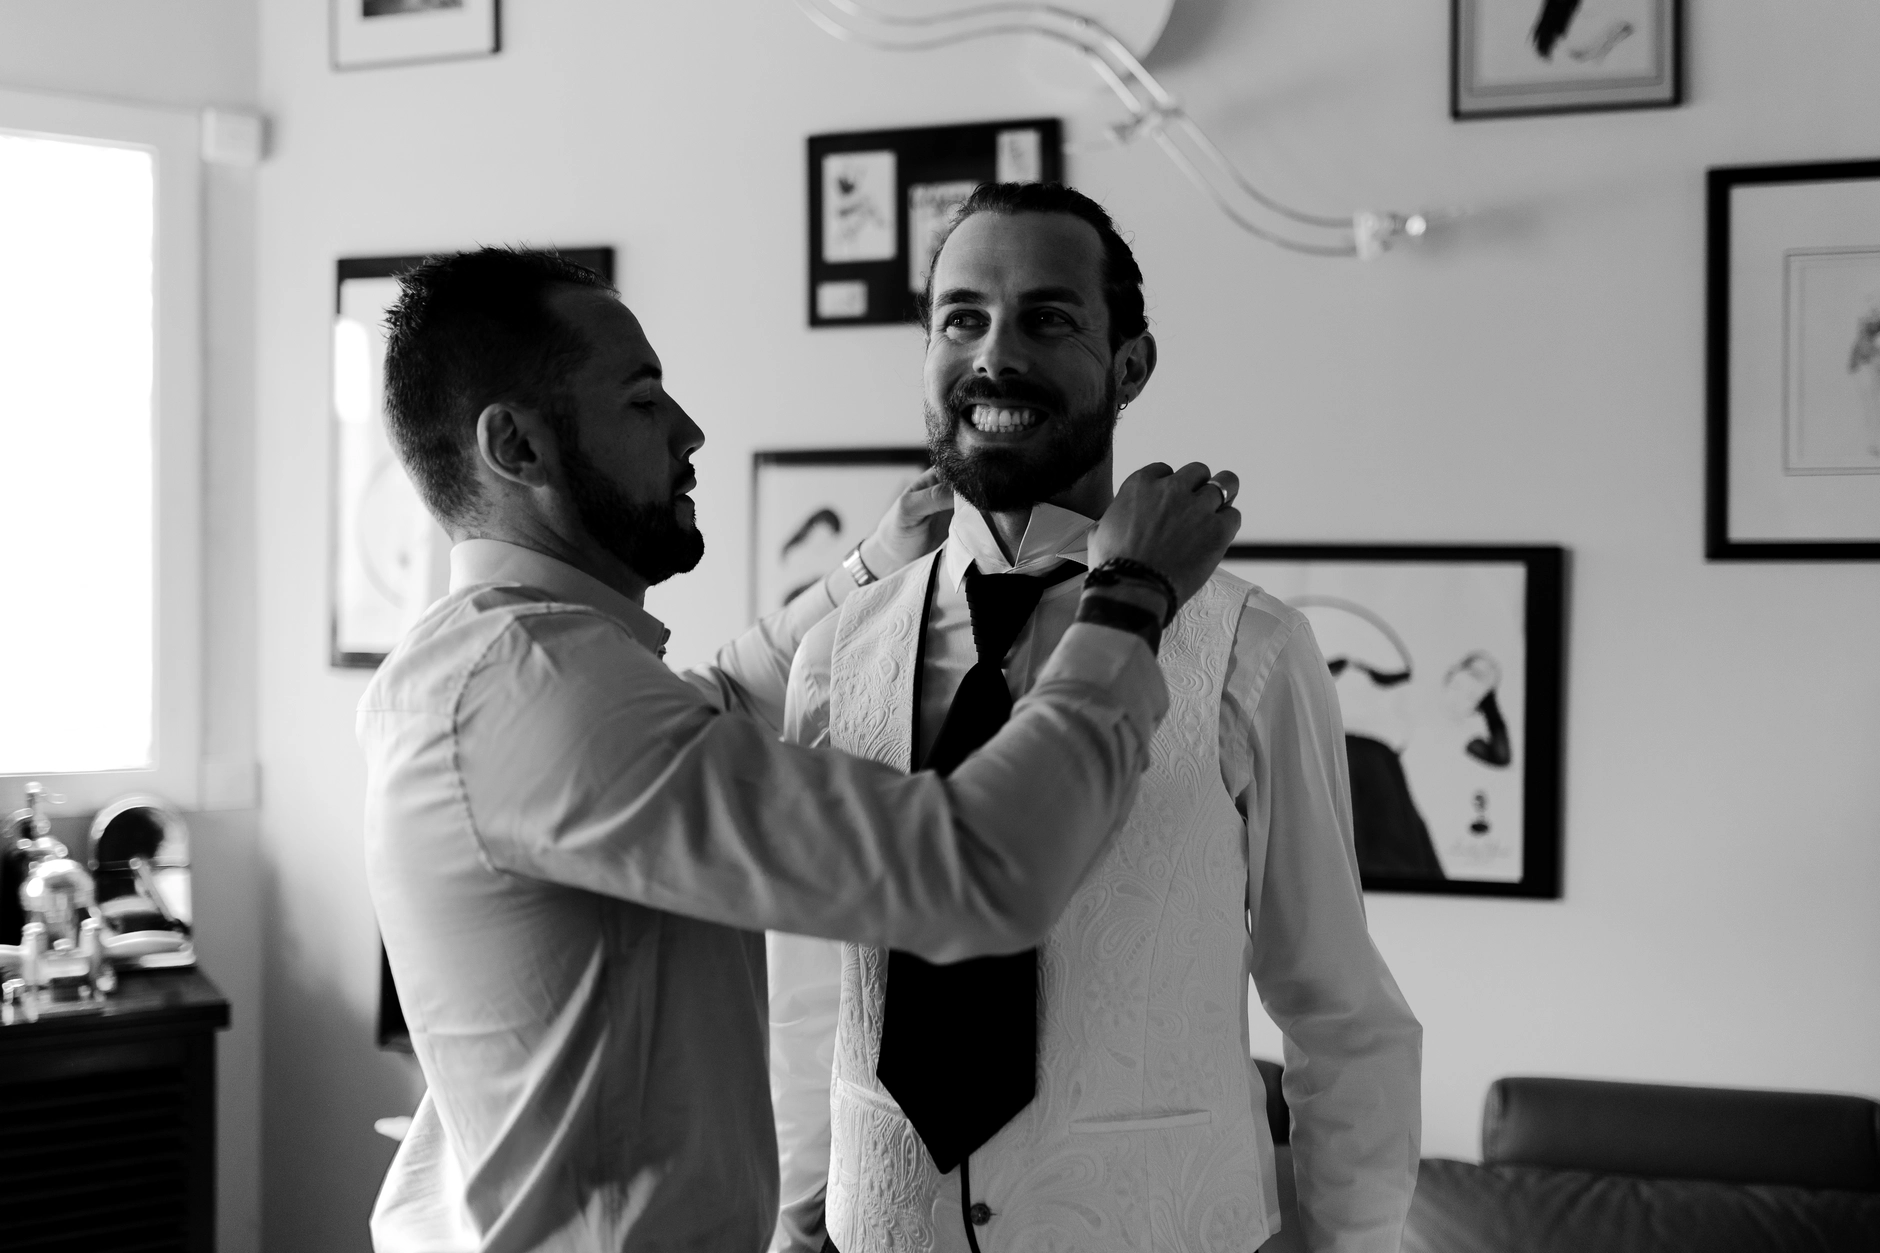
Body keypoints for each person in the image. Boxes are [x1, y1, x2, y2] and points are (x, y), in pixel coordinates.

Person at [357, 247, 1242, 1252]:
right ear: (514, 445)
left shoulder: (492, 666)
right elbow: (972, 868)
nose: (688, 429)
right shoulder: (535, 689)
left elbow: (719, 701)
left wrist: (864, 571)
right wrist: (1127, 599)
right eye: (643, 400)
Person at [767, 184, 1422, 1253]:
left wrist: (1352, 1242)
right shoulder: (834, 650)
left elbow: (1340, 1008)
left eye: (1047, 317)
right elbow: (804, 985)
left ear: (1130, 364)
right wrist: (794, 1216)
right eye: (960, 317)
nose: (993, 354)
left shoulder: (1249, 647)